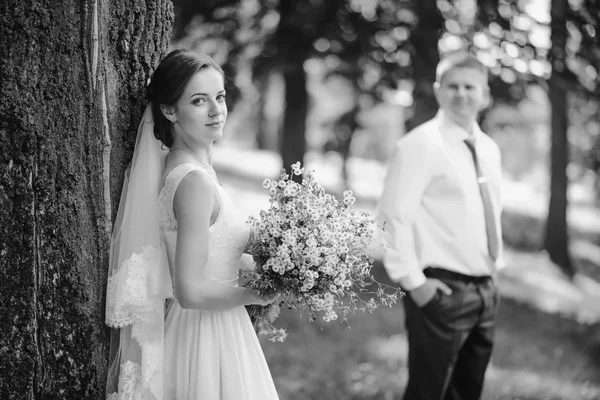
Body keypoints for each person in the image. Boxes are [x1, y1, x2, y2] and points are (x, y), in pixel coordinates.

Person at [105, 49, 279, 400]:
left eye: (219, 97)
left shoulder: (183, 168)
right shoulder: (193, 182)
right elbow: (190, 291)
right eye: (199, 101)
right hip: (207, 336)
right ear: (170, 111)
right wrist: (260, 294)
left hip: (217, 327)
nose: (216, 110)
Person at [377, 51, 503, 400]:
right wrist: (415, 284)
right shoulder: (420, 145)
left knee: (467, 392)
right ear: (437, 90)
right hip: (441, 292)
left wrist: (493, 277)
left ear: (485, 94)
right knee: (427, 392)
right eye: (452, 86)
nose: (461, 93)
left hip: (485, 292)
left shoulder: (490, 150)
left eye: (470, 86)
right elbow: (391, 218)